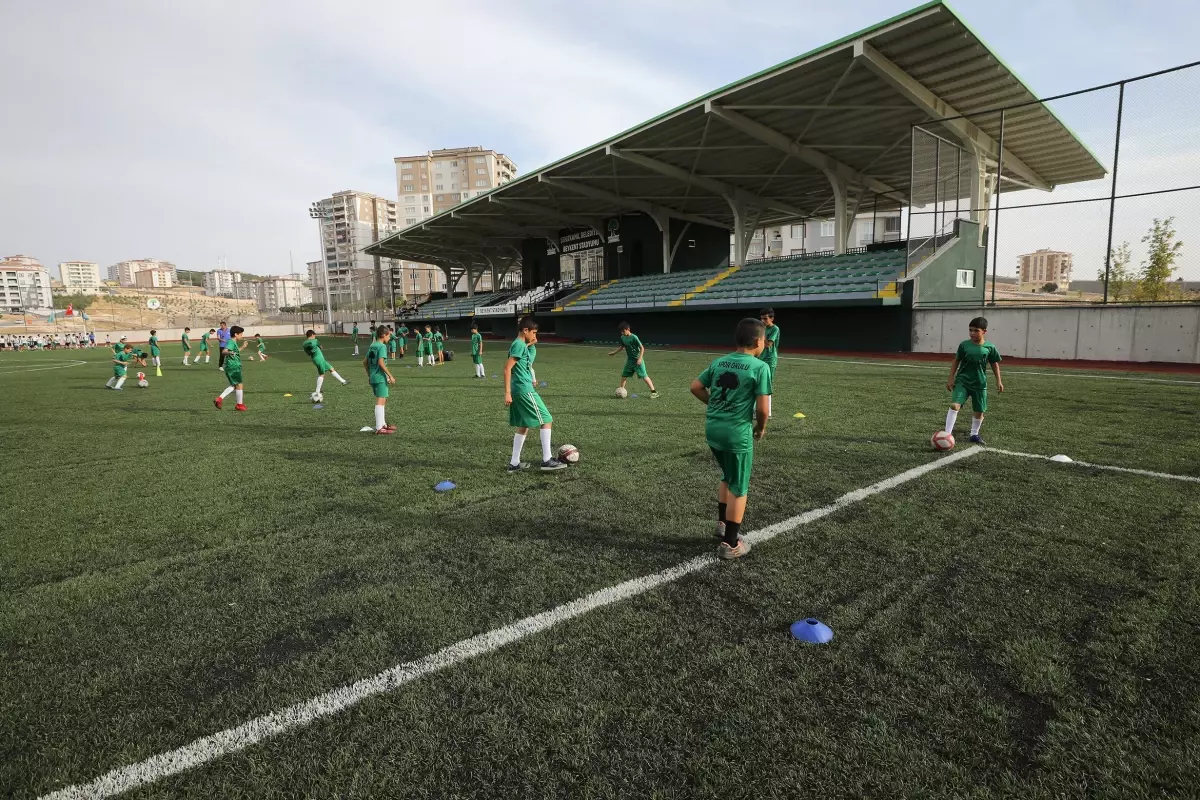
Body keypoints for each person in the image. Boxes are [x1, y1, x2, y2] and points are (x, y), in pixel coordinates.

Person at [690, 318, 773, 560]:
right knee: (739, 486)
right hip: (736, 434)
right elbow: (763, 410)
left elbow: (695, 386)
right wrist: (760, 428)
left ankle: (722, 524)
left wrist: (716, 404)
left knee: (727, 476)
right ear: (758, 341)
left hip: (713, 430)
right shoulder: (760, 367)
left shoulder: (720, 361)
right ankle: (731, 544)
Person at [504, 316, 567, 472]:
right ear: (525, 330)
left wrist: (531, 343)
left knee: (523, 425)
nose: (534, 336)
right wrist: (507, 393)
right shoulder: (519, 345)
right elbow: (507, 369)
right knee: (547, 419)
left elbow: (528, 360)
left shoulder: (520, 345)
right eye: (533, 333)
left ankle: (514, 463)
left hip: (520, 389)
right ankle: (547, 459)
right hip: (524, 390)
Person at [943, 316, 1004, 445]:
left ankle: (974, 435)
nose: (972, 333)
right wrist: (950, 378)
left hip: (979, 383)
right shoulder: (964, 345)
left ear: (984, 331)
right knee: (954, 405)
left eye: (976, 330)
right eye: (970, 330)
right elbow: (956, 361)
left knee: (979, 411)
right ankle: (946, 435)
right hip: (962, 381)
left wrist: (999, 381)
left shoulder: (990, 347)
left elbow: (994, 364)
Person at [608, 321, 659, 399]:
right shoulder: (622, 337)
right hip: (630, 361)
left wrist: (640, 358)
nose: (622, 333)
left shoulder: (634, 337)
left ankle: (654, 392)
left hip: (638, 360)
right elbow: (622, 347)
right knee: (624, 376)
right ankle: (621, 391)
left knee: (644, 376)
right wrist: (614, 353)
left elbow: (642, 348)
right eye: (621, 331)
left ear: (628, 329)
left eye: (623, 331)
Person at [364, 325, 396, 435]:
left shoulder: (373, 345)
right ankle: (379, 428)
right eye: (389, 335)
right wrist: (390, 375)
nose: (389, 338)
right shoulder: (382, 346)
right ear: (383, 335)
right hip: (379, 377)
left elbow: (365, 362)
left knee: (383, 400)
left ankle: (383, 424)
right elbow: (381, 362)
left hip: (373, 376)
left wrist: (369, 375)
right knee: (380, 400)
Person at [302, 330, 349, 396]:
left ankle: (343, 381)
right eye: (314, 335)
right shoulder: (315, 340)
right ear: (312, 335)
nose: (315, 336)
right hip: (319, 359)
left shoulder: (304, 344)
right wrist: (319, 347)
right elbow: (321, 347)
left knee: (331, 368)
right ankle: (317, 392)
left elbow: (308, 354)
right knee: (322, 374)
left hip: (315, 359)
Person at [214, 325, 247, 411]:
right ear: (236, 334)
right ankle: (239, 405)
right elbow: (224, 351)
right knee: (239, 385)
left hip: (231, 366)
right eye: (241, 334)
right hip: (233, 366)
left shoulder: (233, 342)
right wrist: (230, 352)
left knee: (234, 385)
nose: (241, 336)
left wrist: (242, 347)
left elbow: (234, 351)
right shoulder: (231, 342)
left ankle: (219, 399)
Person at [758, 308, 780, 418]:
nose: (762, 321)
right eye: (761, 319)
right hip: (759, 359)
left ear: (772, 318)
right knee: (757, 383)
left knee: (766, 385)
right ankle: (756, 410)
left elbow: (768, 345)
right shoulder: (762, 328)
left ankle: (767, 412)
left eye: (765, 319)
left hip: (770, 360)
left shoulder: (775, 329)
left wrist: (762, 332)